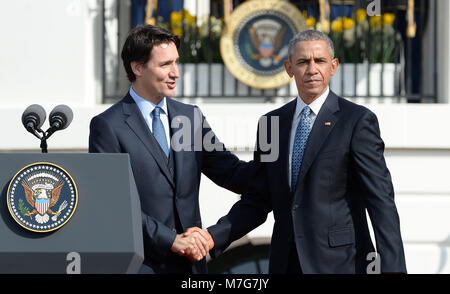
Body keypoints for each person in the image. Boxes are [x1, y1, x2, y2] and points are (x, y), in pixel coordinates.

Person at [191, 30, 407, 274]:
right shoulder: (271, 123)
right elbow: (258, 199)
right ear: (289, 68)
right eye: (303, 62)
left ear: (333, 66)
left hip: (342, 265)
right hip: (285, 264)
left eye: (320, 61)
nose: (312, 69)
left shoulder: (357, 121)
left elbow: (381, 203)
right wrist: (212, 237)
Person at [89, 24, 249, 274]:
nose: (175, 72)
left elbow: (232, 173)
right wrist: (171, 240)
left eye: (176, 62)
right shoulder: (108, 126)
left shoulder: (190, 117)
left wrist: (278, 168)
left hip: (192, 269)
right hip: (141, 266)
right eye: (165, 64)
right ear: (137, 67)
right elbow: (112, 203)